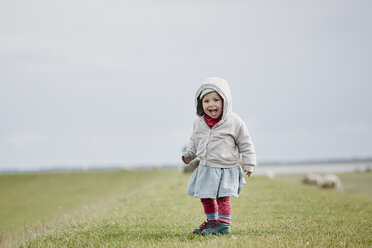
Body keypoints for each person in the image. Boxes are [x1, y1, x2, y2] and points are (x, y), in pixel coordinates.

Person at [182, 77, 257, 235]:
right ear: (200, 104)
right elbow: (194, 141)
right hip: (206, 167)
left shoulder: (234, 122)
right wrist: (189, 154)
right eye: (206, 101)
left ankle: (223, 225)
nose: (211, 104)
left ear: (225, 101)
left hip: (225, 168)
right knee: (206, 197)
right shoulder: (199, 123)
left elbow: (245, 143)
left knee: (223, 198)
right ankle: (212, 222)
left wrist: (249, 164)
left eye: (216, 99)